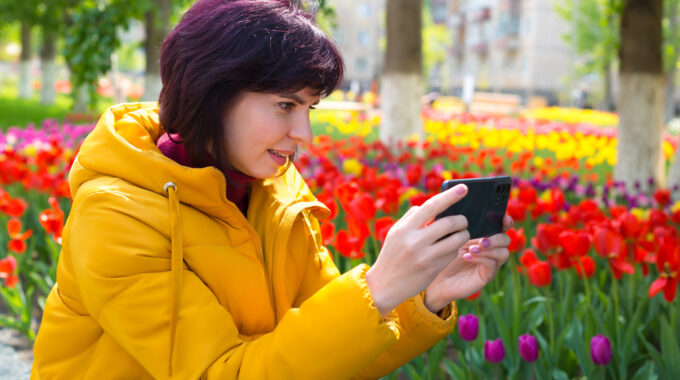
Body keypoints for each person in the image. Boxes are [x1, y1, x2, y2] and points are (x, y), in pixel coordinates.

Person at [31, 0, 512, 379]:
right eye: (284, 104)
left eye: (310, 108)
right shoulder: (116, 217)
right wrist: (379, 286)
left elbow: (328, 360)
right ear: (211, 93)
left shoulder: (276, 193)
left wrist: (421, 297)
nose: (304, 133)